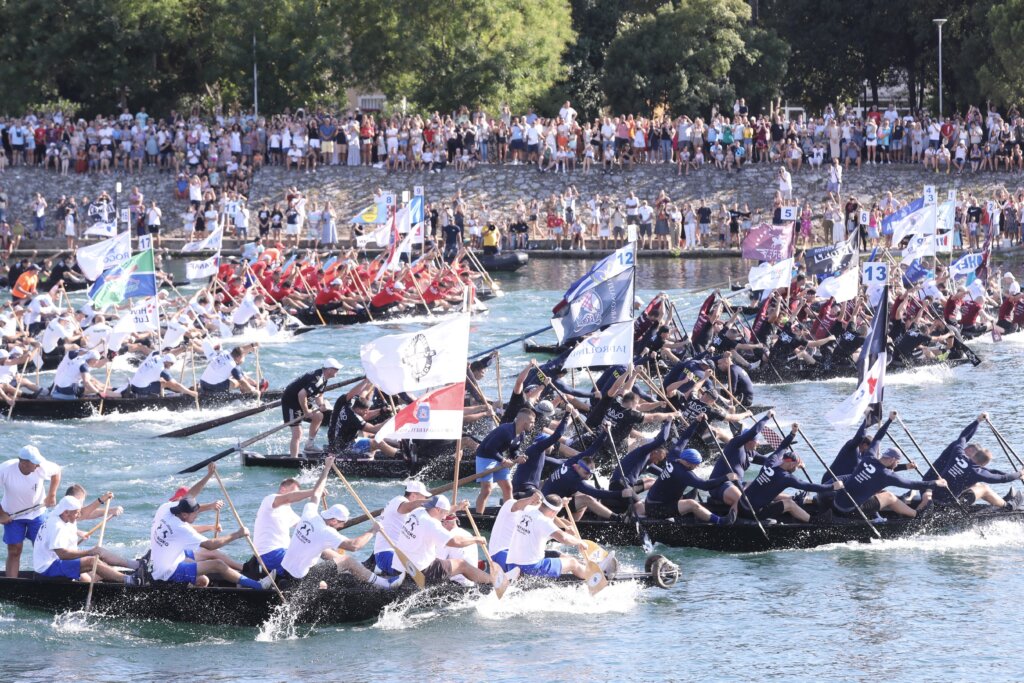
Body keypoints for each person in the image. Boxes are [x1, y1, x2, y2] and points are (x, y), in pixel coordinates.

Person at [149, 493, 275, 590]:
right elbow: (211, 545)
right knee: (217, 564)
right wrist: (238, 534)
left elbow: (186, 531)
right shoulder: (181, 528)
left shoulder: (165, 509)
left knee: (213, 554)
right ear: (185, 515)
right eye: (195, 514)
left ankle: (244, 570)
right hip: (167, 571)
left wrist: (210, 516)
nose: (197, 515)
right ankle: (259, 586)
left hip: (164, 557)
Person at [277, 499, 399, 591]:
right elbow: (354, 546)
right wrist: (373, 530)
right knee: (348, 561)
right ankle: (385, 584)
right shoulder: (325, 531)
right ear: (334, 520)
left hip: (286, 570)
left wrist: (327, 466)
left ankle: (350, 572)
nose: (342, 526)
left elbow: (316, 493)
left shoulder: (309, 513)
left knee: (329, 556)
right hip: (300, 578)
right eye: (342, 523)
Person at [246, 456, 333, 577]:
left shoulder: (289, 512)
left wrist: (330, 523)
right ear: (283, 489)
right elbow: (289, 497)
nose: (296, 495)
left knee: (325, 559)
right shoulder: (270, 500)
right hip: (270, 554)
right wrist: (314, 491)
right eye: (293, 491)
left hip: (285, 553)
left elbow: (310, 527)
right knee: (317, 570)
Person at [739, 430, 843, 523]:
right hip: (752, 513)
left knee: (770, 490)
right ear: (792, 464)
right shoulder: (786, 478)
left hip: (741, 504)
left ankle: (797, 501)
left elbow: (782, 447)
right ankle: (815, 521)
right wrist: (832, 487)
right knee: (789, 504)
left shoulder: (771, 461)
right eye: (796, 467)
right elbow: (809, 486)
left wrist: (792, 433)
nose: (796, 469)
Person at [32, 495, 135, 583]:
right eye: (77, 513)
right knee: (92, 561)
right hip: (48, 568)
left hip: (57, 561)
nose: (79, 516)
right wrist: (89, 552)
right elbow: (63, 554)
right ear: (66, 512)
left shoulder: (58, 513)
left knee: (102, 561)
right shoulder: (57, 526)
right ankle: (131, 580)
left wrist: (105, 504)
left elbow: (85, 513)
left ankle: (136, 565)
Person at [392, 495, 492, 586]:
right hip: (422, 570)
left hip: (400, 564)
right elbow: (456, 541)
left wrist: (458, 507)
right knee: (462, 564)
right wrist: (476, 539)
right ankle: (491, 582)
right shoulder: (432, 524)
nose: (444, 517)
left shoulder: (418, 511)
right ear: (438, 509)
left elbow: (444, 511)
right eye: (444, 513)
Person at [0, 446, 62, 577]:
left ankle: (47, 579)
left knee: (42, 549)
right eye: (35, 462)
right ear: (23, 462)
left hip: (38, 513)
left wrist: (52, 494)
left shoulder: (41, 467)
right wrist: (1, 514)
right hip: (12, 515)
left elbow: (57, 472)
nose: (38, 465)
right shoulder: (5, 469)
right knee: (14, 550)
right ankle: (12, 584)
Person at [505, 494, 598, 581]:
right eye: (556, 513)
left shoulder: (527, 509)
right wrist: (579, 542)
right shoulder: (545, 521)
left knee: (558, 555)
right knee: (572, 563)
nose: (555, 516)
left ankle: (587, 566)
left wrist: (561, 503)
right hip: (531, 568)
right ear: (554, 511)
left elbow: (549, 508)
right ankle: (595, 578)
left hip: (512, 566)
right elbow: (563, 538)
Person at [833, 449, 945, 519]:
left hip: (840, 502)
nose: (897, 465)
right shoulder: (884, 473)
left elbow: (881, 471)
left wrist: (905, 466)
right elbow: (911, 484)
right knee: (889, 496)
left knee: (883, 492)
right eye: (897, 462)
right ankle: (916, 514)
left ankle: (899, 505)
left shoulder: (868, 460)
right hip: (853, 509)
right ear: (892, 460)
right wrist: (935, 483)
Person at [473, 407, 534, 513]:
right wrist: (503, 460)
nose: (533, 425)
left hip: (498, 456)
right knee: (487, 489)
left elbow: (514, 450)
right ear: (524, 422)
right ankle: (479, 516)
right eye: (532, 422)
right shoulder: (505, 431)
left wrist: (517, 457)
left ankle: (509, 514)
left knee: (508, 487)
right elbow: (489, 448)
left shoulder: (522, 434)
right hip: (484, 456)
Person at [282, 358, 343, 456]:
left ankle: (309, 445)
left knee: (319, 416)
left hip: (302, 400)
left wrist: (321, 405)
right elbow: (301, 394)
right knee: (298, 433)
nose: (338, 371)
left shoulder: (324, 378)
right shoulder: (317, 379)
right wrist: (306, 411)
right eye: (336, 369)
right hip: (291, 402)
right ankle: (293, 459)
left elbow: (319, 395)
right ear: (329, 370)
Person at [372, 481, 430, 575]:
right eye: (424, 497)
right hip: (387, 555)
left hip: (390, 554)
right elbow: (407, 507)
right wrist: (432, 503)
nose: (425, 499)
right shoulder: (399, 500)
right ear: (414, 496)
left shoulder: (398, 504)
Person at [104, 352, 197, 398]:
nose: (171, 366)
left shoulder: (156, 357)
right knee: (167, 383)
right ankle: (186, 392)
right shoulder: (162, 370)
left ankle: (104, 390)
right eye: (171, 364)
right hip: (141, 389)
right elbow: (175, 384)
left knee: (162, 381)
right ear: (167, 362)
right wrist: (191, 393)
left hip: (134, 383)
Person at [487, 492, 541, 570]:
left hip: (515, 553)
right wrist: (530, 500)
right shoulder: (510, 503)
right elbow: (516, 505)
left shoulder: (530, 515)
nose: (535, 505)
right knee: (518, 564)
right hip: (498, 552)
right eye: (534, 502)